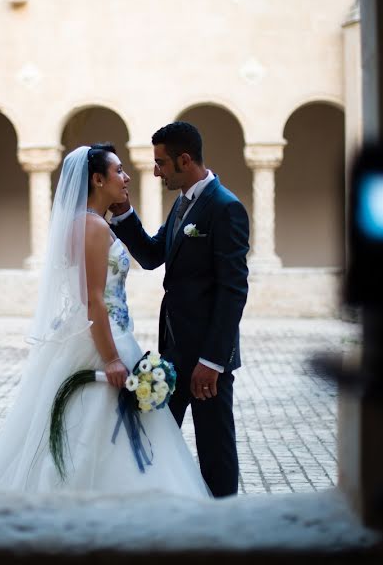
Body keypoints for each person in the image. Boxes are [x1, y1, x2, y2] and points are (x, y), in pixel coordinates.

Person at [0, 143, 210, 497]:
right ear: (97, 179)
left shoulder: (90, 223)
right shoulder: (91, 227)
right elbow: (93, 299)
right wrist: (111, 358)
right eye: (119, 171)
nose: (126, 178)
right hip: (103, 341)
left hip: (111, 334)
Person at [109, 122, 250, 497]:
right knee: (152, 436)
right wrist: (124, 214)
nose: (155, 172)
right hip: (174, 353)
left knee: (214, 448)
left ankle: (224, 524)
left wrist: (214, 361)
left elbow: (233, 290)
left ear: (184, 160)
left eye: (161, 163)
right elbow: (154, 255)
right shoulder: (184, 202)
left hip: (206, 360)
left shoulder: (225, 208)